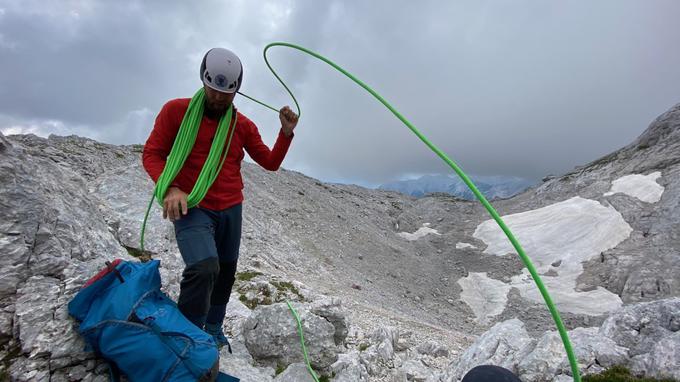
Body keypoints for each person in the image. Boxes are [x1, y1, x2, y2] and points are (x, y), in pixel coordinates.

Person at [142, 47, 299, 349]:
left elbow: (270, 162)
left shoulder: (242, 126)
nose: (217, 98)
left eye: (226, 94)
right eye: (213, 90)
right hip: (191, 203)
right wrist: (171, 188)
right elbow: (153, 154)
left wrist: (286, 133)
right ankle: (185, 336)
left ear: (237, 91)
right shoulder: (176, 111)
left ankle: (213, 328)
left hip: (230, 206)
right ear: (204, 82)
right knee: (204, 267)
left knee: (226, 271)